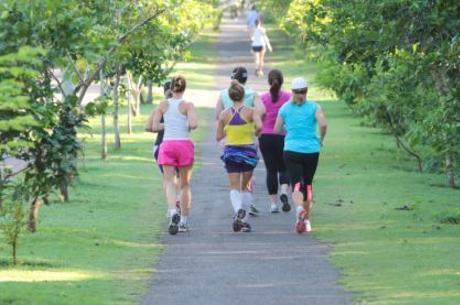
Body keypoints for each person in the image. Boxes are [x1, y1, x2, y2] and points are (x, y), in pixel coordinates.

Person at [274, 77, 327, 234]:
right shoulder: (314, 107)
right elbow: (323, 124)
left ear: (292, 92)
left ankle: (298, 210)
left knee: (296, 184)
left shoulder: (285, 108)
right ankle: (307, 220)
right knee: (308, 184)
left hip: (291, 150)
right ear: (306, 91)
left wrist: (290, 130)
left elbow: (277, 130)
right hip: (311, 150)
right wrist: (321, 139)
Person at [215, 66, 265, 217]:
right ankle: (244, 217)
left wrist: (228, 132)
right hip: (249, 151)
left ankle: (238, 212)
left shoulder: (224, 114)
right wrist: (254, 132)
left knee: (234, 187)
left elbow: (218, 137)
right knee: (246, 187)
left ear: (230, 97)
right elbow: (261, 126)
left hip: (231, 151)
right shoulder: (251, 112)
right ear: (244, 95)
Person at [151, 75, 198, 235]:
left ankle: (172, 212)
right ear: (184, 89)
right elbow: (193, 124)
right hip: (184, 144)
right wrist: (185, 123)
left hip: (167, 145)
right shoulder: (188, 105)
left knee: (169, 182)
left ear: (170, 88)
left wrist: (168, 123)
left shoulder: (163, 105)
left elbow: (154, 126)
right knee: (184, 184)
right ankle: (184, 221)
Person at [259, 70, 291, 213]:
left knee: (271, 170)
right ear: (282, 81)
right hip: (283, 136)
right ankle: (284, 191)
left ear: (269, 81)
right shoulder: (289, 97)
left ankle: (273, 204)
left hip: (266, 137)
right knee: (284, 168)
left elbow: (258, 117)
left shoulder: (262, 98)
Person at [146, 81, 181, 213]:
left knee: (169, 178)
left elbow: (148, 127)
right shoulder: (178, 107)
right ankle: (174, 204)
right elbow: (148, 127)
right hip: (170, 145)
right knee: (173, 177)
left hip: (167, 145)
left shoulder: (164, 107)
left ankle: (172, 206)